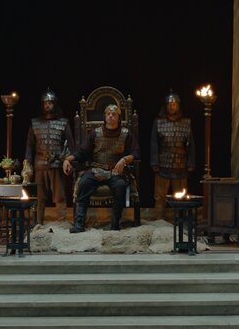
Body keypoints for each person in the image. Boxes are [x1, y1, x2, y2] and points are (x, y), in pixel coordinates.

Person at [63, 104, 140, 232]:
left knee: (120, 186)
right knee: (84, 183)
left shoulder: (126, 134)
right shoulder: (95, 133)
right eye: (108, 113)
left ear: (119, 117)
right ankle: (79, 224)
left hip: (116, 171)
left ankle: (115, 225)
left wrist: (125, 159)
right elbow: (82, 152)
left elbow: (136, 152)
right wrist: (67, 159)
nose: (110, 116)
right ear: (104, 116)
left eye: (114, 114)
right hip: (96, 170)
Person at [25, 88, 75, 224]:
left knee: (60, 196)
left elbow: (71, 146)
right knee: (39, 197)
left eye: (50, 103)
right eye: (45, 103)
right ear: (42, 105)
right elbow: (29, 145)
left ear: (55, 104)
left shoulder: (63, 123)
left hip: (57, 163)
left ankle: (62, 223)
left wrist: (69, 161)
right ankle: (37, 224)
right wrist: (27, 163)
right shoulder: (35, 123)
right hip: (39, 164)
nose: (48, 105)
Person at [150, 90, 196, 220]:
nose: (172, 106)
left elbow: (191, 145)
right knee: (160, 196)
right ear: (166, 106)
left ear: (178, 106)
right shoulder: (159, 122)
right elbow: (154, 143)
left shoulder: (185, 123)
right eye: (170, 104)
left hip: (181, 165)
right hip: (163, 164)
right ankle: (159, 221)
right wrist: (154, 162)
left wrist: (191, 162)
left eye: (174, 104)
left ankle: (181, 221)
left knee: (180, 196)